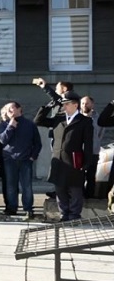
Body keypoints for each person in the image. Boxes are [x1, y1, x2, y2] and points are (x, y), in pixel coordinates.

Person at [36, 93, 94, 222]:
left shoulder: (84, 121)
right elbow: (38, 121)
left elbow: (88, 144)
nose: (64, 106)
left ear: (75, 105)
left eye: (67, 104)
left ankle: (74, 215)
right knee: (60, 189)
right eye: (63, 104)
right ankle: (64, 214)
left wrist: (87, 162)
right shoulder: (59, 118)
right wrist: (48, 107)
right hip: (58, 160)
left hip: (74, 160)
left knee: (75, 190)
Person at [0, 102, 41, 218]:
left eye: (11, 108)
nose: (9, 111)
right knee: (11, 185)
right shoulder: (4, 124)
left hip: (26, 159)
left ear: (19, 109)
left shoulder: (30, 124)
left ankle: (28, 208)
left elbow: (37, 143)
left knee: (27, 186)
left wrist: (33, 156)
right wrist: (10, 126)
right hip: (9, 159)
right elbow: (2, 140)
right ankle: (12, 208)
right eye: (7, 109)